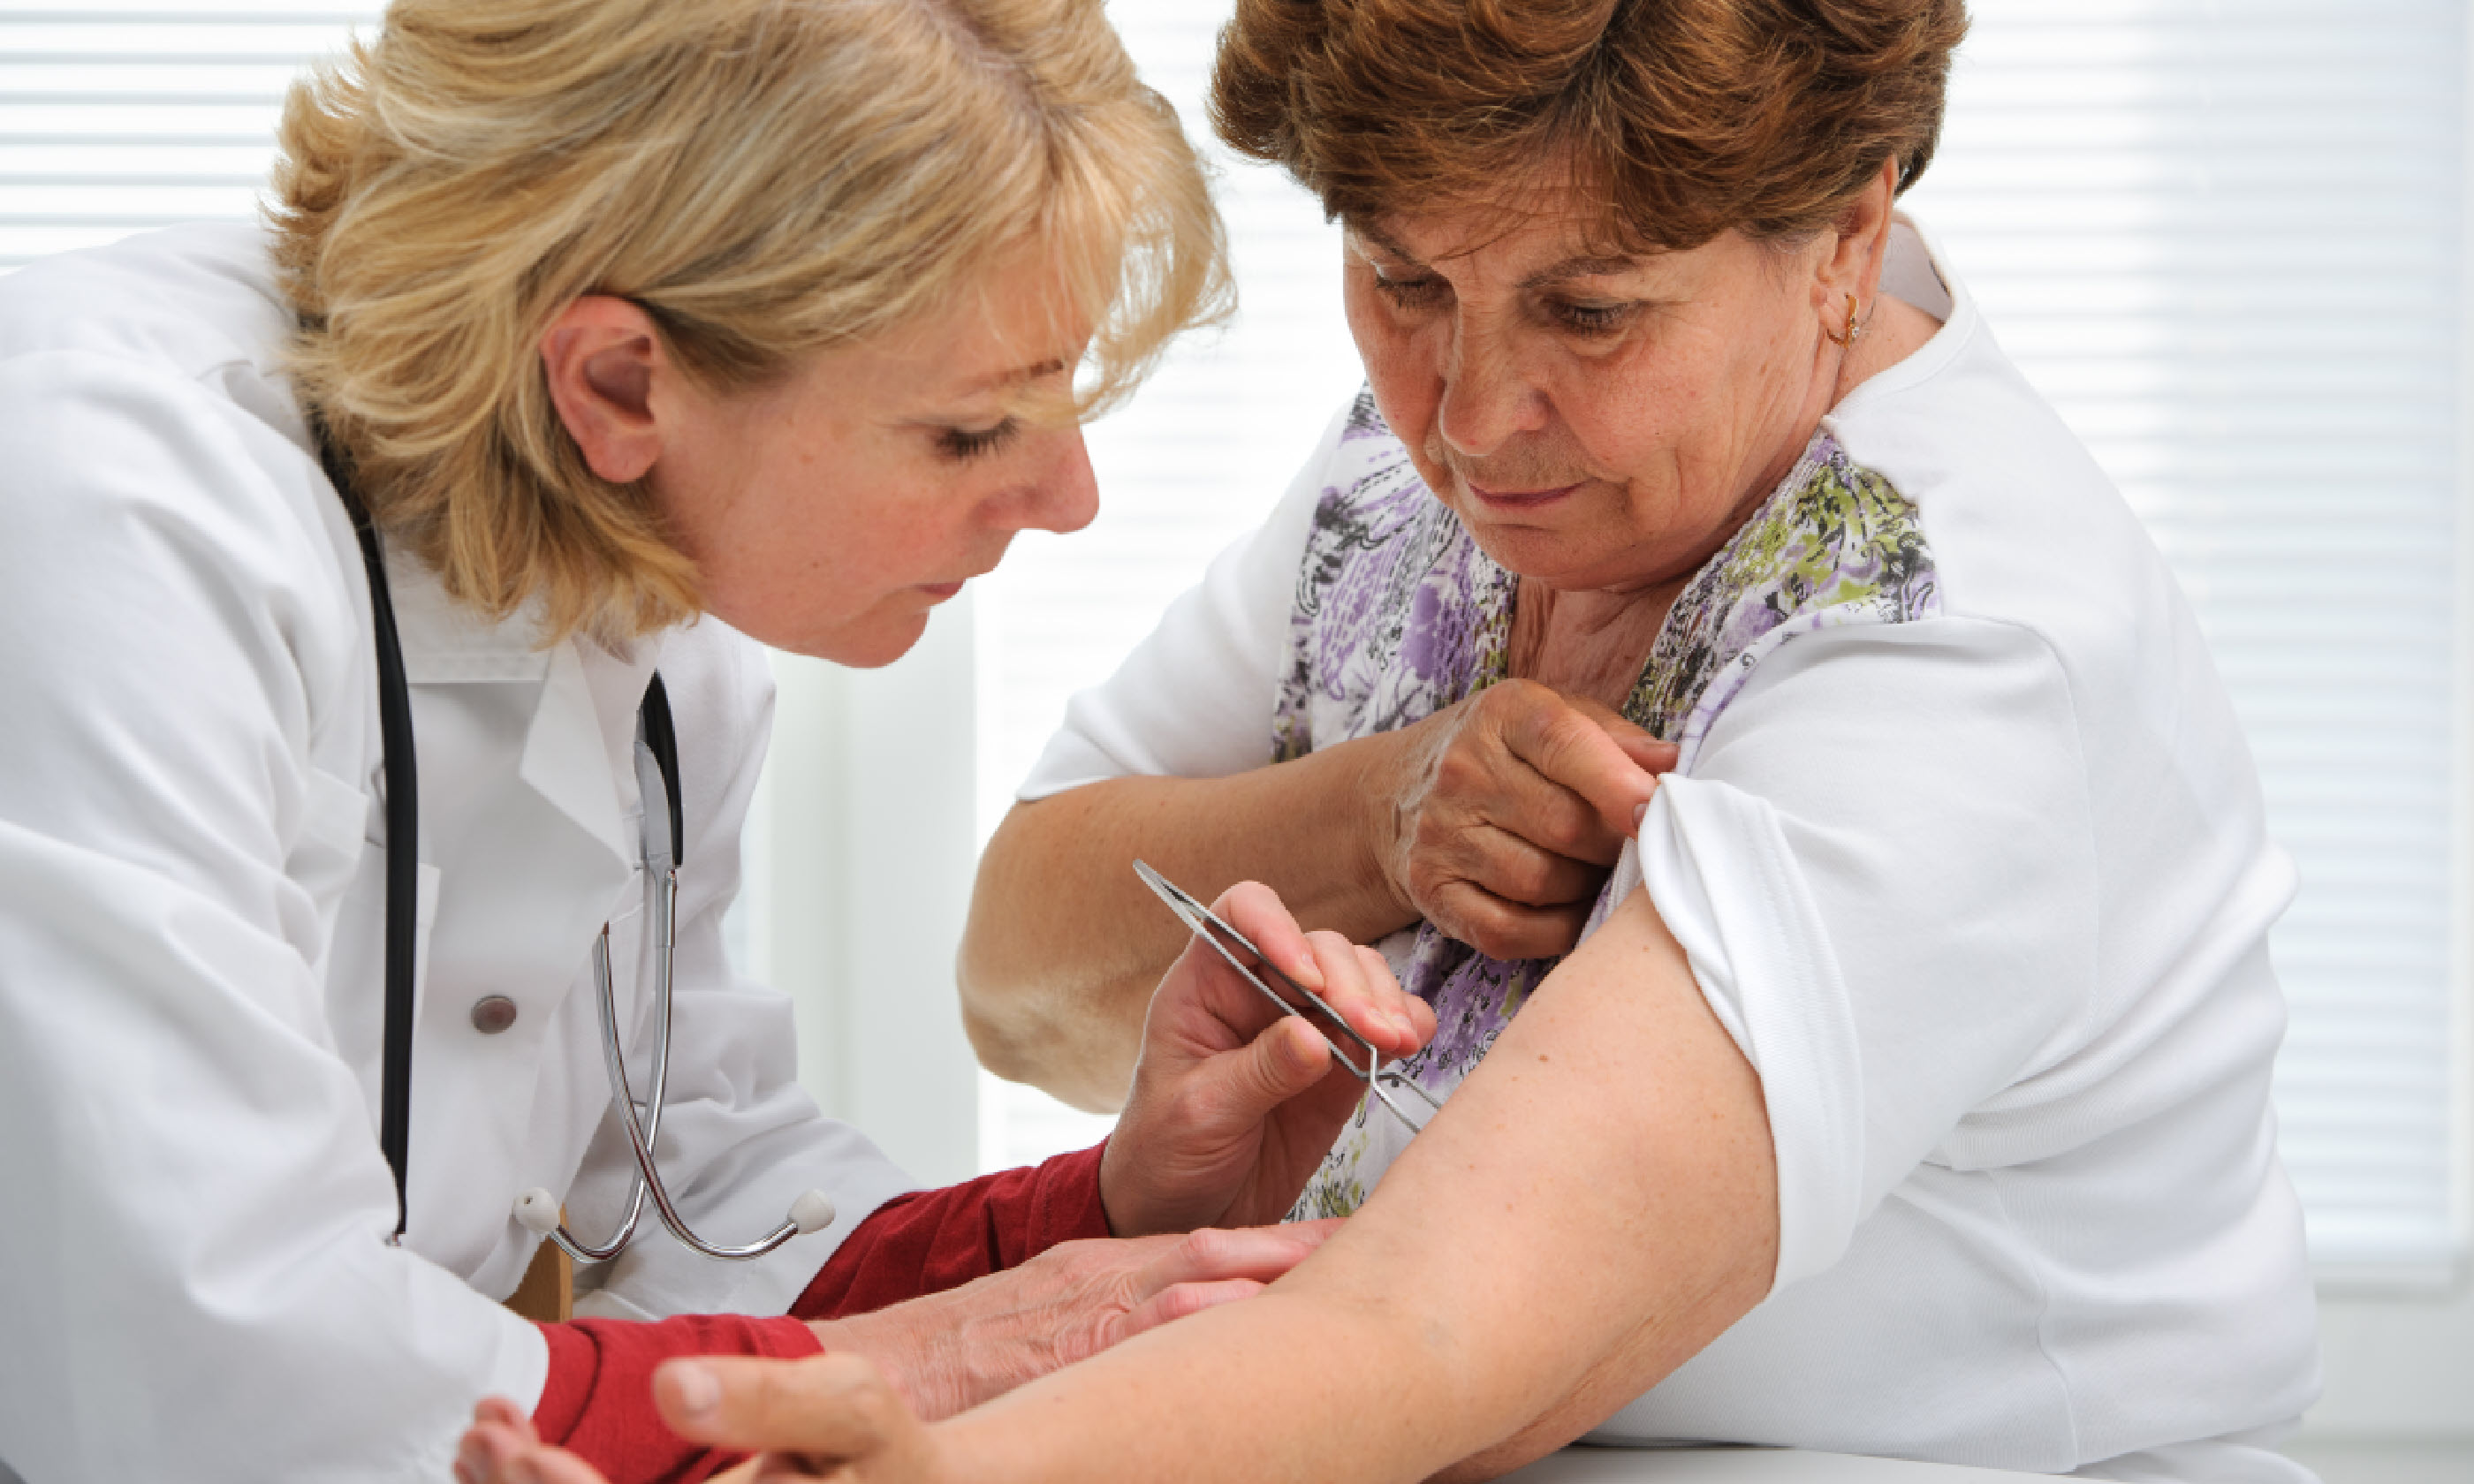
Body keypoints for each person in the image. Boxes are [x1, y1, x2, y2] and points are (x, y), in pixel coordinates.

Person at [476, 0, 2326, 1479]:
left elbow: (1452, 1343)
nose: (1473, 414)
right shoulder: (1462, 465)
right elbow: (1017, 969)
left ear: (1843, 243)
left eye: (1593, 311)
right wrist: (1384, 805)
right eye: (1402, 284)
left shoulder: (1950, 646)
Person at [0, 2, 1438, 1480]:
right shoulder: (104, 513)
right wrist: (935, 1359)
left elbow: (710, 1198)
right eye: (964, 433)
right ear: (619, 383)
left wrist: (1106, 1214)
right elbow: (194, 1359)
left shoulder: (652, 598)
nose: (1070, 499)